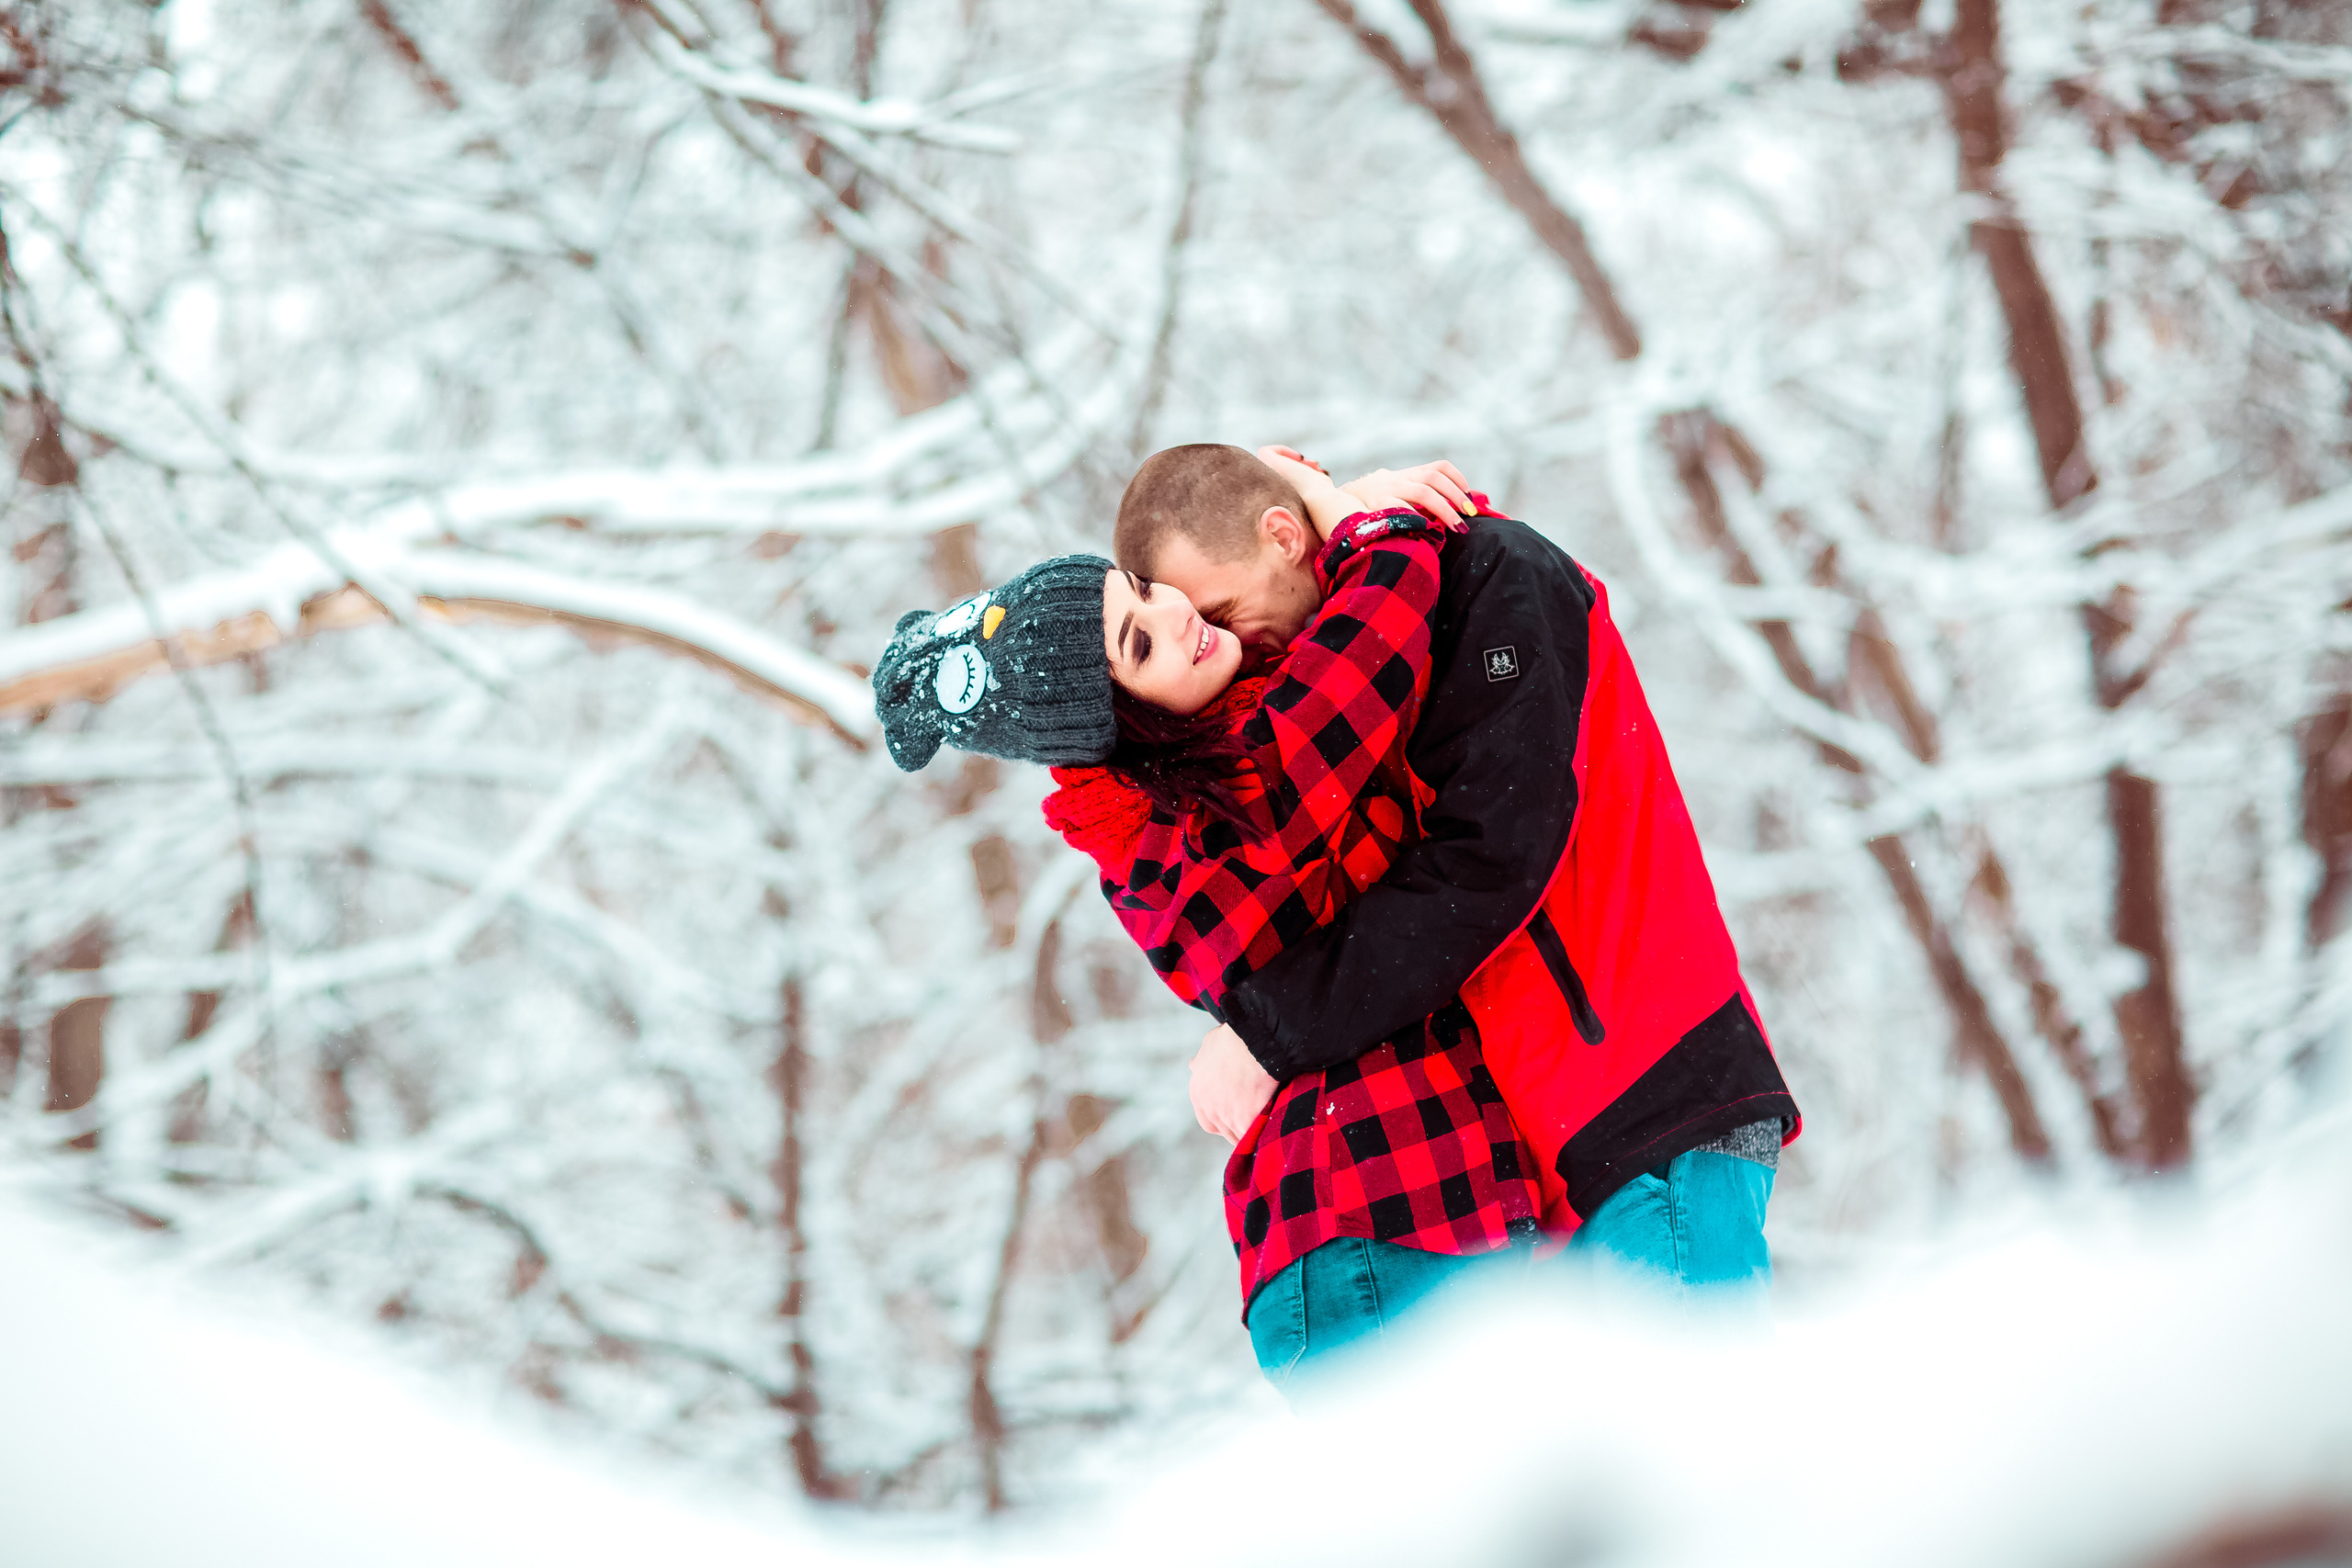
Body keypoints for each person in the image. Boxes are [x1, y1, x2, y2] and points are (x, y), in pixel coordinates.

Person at [1112, 444, 1799, 1332]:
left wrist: (1267, 1031)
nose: (1231, 653)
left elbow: (1488, 861)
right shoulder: (1356, 660)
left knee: (1706, 1448)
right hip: (1555, 1151)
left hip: (1645, 1093)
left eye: (1223, 612)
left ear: (1284, 534)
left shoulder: (1491, 572)